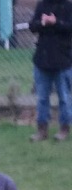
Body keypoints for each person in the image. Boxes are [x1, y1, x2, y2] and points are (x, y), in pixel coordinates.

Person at [27, 0, 72, 141]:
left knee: (64, 98)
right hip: (42, 59)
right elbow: (32, 26)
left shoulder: (68, 6)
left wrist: (55, 22)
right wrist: (42, 23)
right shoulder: (42, 5)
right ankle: (42, 130)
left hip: (63, 60)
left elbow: (69, 27)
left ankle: (64, 129)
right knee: (42, 98)